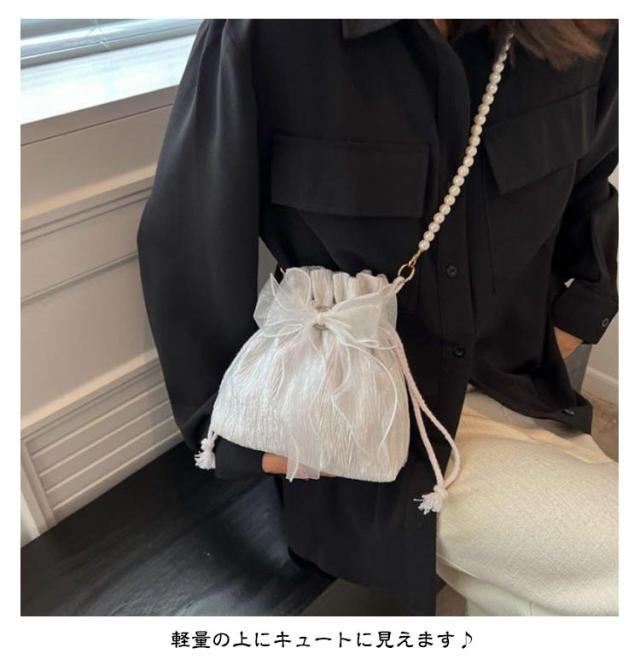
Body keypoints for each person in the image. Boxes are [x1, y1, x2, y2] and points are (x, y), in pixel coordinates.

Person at [136, 18, 619, 615]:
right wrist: (235, 435)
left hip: (523, 388)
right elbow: (190, 240)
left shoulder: (583, 28)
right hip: (363, 432)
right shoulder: (269, 31)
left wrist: (577, 316)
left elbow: (593, 182)